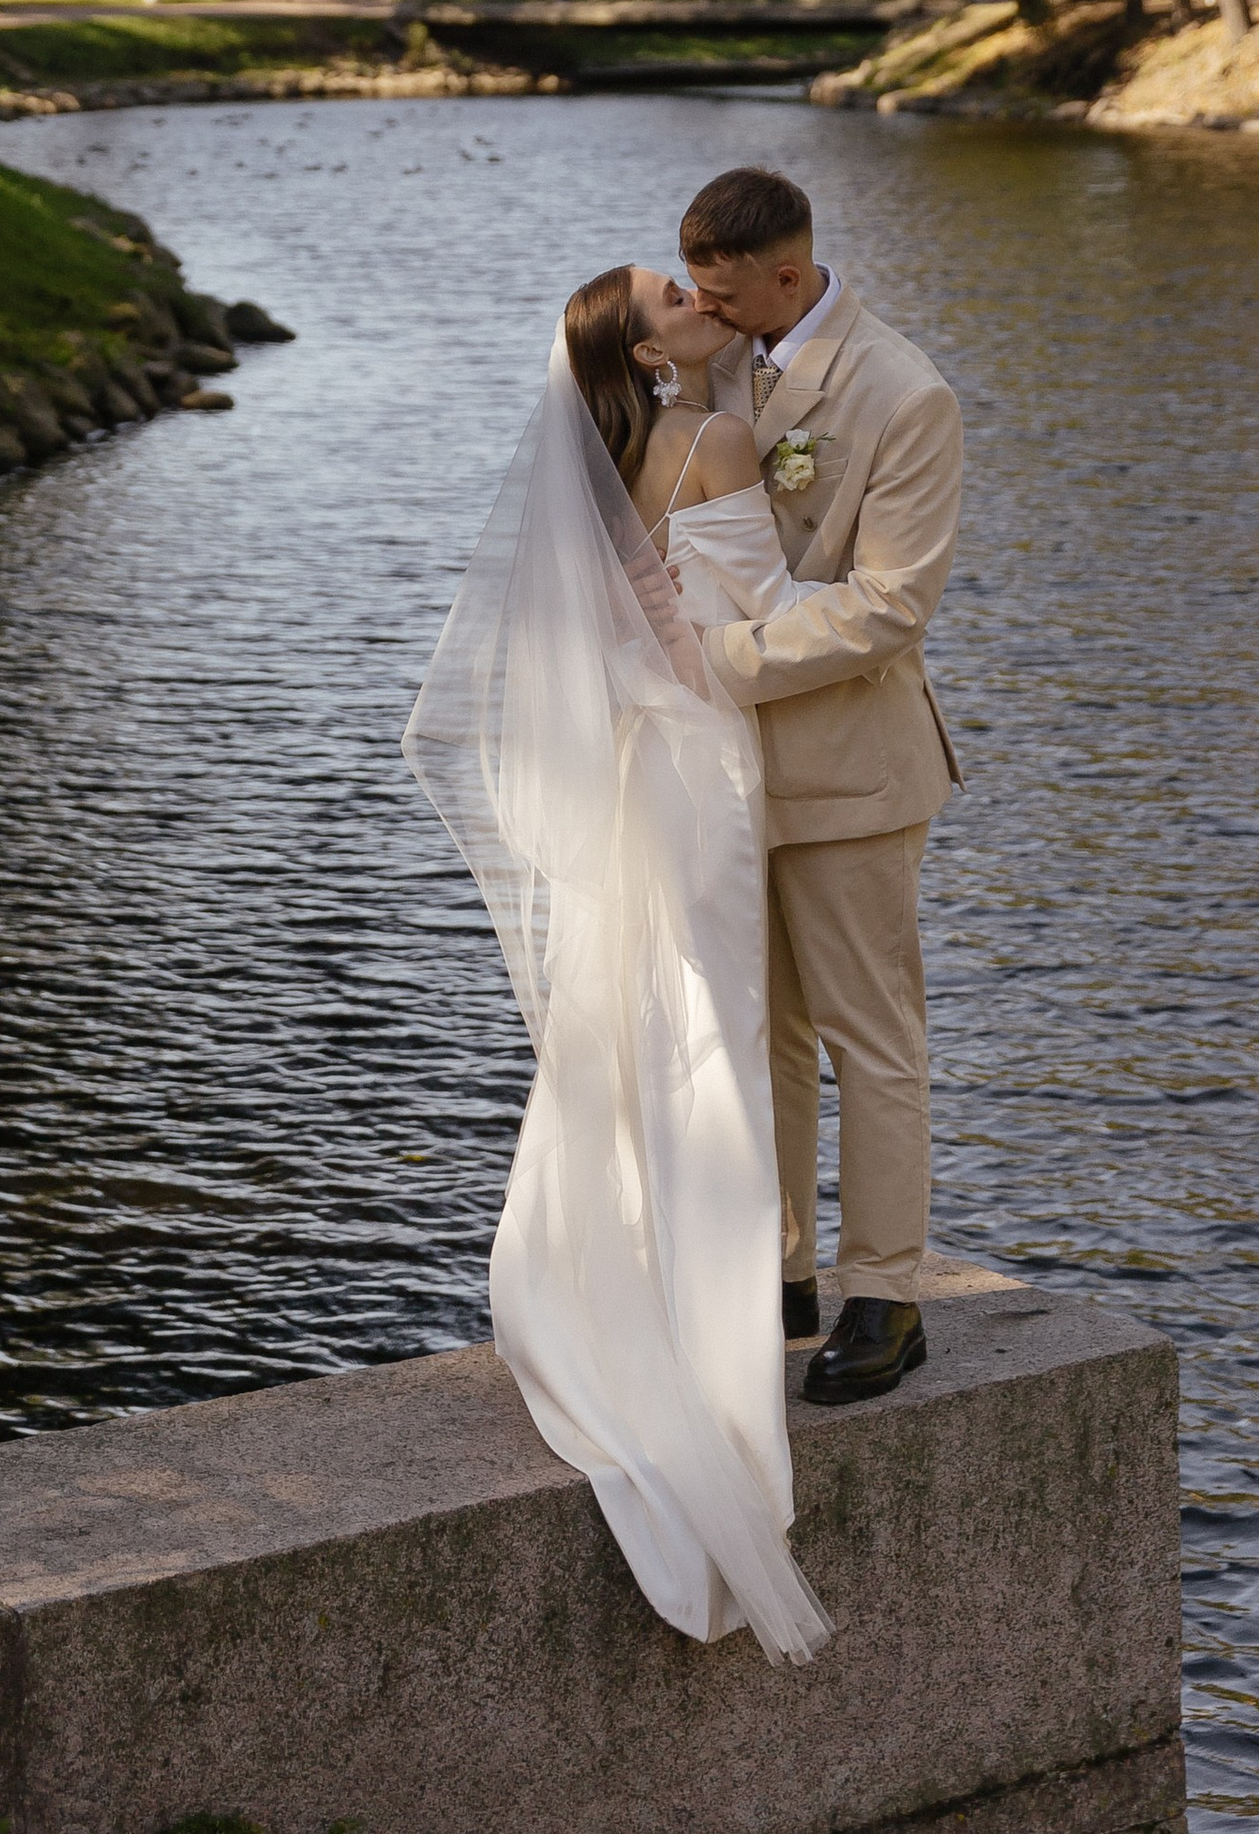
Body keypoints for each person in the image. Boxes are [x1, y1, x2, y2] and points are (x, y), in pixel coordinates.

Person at [403, 262, 832, 1663]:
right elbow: (751, 627)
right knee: (706, 1020)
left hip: (645, 765)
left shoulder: (617, 452)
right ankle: (698, 1304)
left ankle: (605, 1265)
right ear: (645, 350)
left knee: (644, 1018)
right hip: (704, 765)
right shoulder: (707, 441)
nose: (700, 294)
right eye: (672, 297)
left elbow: (619, 635)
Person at [678, 165, 962, 1407]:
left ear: (787, 277)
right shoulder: (719, 360)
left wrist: (707, 664)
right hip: (735, 774)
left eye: (725, 293)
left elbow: (890, 606)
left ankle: (886, 1299)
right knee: (768, 1039)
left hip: (851, 771)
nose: (708, 313)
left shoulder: (906, 395)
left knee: (871, 1043)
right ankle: (783, 1274)